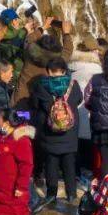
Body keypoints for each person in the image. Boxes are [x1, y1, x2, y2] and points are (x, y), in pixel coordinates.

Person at [32, 56, 83, 204]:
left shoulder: (41, 85)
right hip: (69, 132)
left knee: (51, 164)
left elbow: (35, 104)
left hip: (49, 131)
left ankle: (51, 194)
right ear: (64, 70)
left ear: (48, 71)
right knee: (69, 164)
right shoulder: (73, 85)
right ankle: (71, 194)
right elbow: (79, 100)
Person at [14, 17, 75, 109]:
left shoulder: (29, 51)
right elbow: (67, 50)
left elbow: (29, 39)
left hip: (20, 102)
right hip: (40, 107)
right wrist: (66, 33)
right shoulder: (57, 61)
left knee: (19, 116)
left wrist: (43, 27)